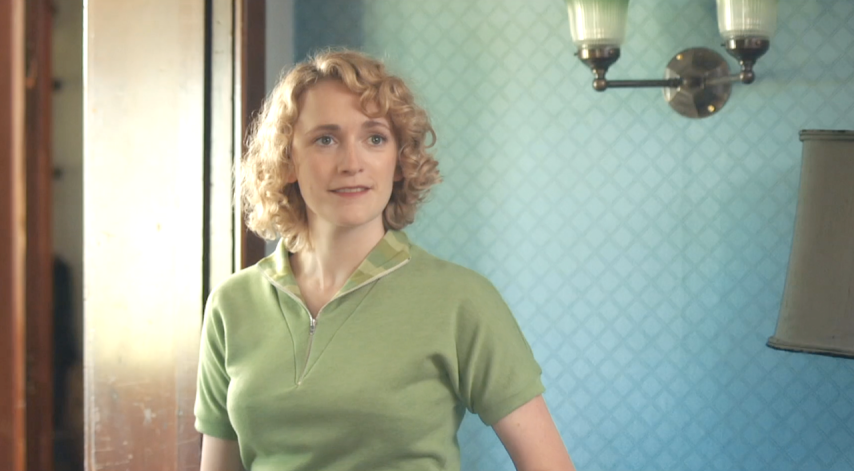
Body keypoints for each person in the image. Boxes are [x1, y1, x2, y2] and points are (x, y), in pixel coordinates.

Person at [194, 49, 576, 471]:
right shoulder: (231, 305)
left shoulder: (460, 300)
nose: (352, 163)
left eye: (375, 138)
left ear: (399, 161)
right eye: (326, 139)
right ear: (287, 160)